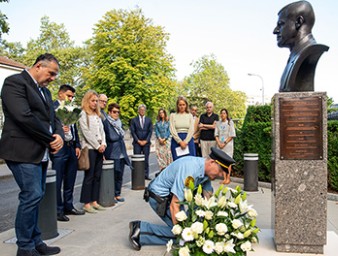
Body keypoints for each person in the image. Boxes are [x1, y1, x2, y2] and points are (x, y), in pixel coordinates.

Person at [0, 53, 63, 256]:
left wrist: (59, 136)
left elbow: (54, 118)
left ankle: (36, 241)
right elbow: (23, 117)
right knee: (32, 195)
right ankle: (25, 247)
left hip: (40, 151)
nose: (53, 78)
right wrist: (50, 138)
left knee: (36, 197)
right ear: (38, 66)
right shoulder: (14, 83)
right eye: (51, 73)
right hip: (21, 151)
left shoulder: (45, 92)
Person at [128, 147, 235, 250]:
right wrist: (183, 233)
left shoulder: (205, 172)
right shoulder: (190, 170)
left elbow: (208, 198)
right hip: (160, 198)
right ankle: (140, 230)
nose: (221, 175)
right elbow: (175, 205)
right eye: (220, 171)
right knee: (183, 235)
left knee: (192, 229)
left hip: (172, 197)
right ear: (212, 162)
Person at [273, 0, 329, 92]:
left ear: (298, 22)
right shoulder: (295, 55)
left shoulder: (309, 52)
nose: (275, 31)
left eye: (281, 24)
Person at [52, 85, 84, 222]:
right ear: (60, 94)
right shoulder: (52, 108)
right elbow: (47, 126)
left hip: (71, 147)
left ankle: (68, 206)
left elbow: (74, 128)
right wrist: (58, 129)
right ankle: (58, 210)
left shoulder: (71, 109)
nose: (71, 98)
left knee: (70, 179)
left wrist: (77, 144)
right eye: (69, 96)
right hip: (59, 147)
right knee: (57, 180)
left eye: (72, 96)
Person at [79, 90, 107, 213]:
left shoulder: (97, 115)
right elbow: (86, 132)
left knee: (97, 176)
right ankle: (86, 203)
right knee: (89, 176)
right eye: (93, 100)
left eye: (96, 101)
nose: (95, 103)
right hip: (90, 149)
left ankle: (94, 201)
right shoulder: (83, 114)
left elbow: (102, 131)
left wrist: (103, 144)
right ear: (87, 101)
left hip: (100, 149)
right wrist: (97, 145)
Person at [103, 103, 131, 202]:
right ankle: (112, 195)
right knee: (113, 175)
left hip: (121, 152)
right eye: (114, 112)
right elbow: (111, 137)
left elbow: (119, 136)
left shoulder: (119, 123)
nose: (116, 114)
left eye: (118, 112)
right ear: (109, 112)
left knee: (120, 174)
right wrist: (119, 136)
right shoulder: (106, 123)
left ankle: (117, 194)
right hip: (112, 152)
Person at [130, 104, 153, 180]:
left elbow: (150, 131)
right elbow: (133, 132)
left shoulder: (149, 120)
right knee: (137, 160)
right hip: (137, 143)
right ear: (138, 111)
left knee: (146, 160)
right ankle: (137, 175)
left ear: (145, 111)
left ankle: (146, 175)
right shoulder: (134, 120)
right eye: (141, 110)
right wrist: (138, 141)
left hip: (146, 143)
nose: (142, 111)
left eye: (143, 110)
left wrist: (146, 140)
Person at [169, 96, 195, 161]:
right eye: (180, 105)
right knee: (178, 162)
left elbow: (191, 130)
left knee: (190, 161)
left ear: (186, 105)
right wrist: (180, 142)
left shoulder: (189, 115)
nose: (182, 106)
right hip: (176, 140)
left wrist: (185, 142)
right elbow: (172, 129)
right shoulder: (173, 115)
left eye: (183, 105)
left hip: (188, 140)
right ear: (177, 105)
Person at [215, 108, 236, 184]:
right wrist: (219, 143)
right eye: (221, 113)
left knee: (228, 162)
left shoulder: (230, 123)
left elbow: (232, 135)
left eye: (224, 113)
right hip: (220, 145)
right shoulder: (218, 123)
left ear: (227, 114)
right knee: (222, 162)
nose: (222, 115)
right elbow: (216, 134)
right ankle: (224, 178)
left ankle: (228, 178)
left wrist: (224, 143)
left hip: (228, 145)